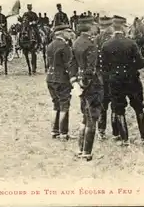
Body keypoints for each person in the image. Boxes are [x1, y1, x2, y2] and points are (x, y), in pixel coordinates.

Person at [102, 15, 144, 146]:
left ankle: (124, 140)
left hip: (115, 80)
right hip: (132, 79)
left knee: (118, 108)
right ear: (124, 27)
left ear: (113, 27)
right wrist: (130, 67)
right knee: (139, 107)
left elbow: (104, 67)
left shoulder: (106, 45)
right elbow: (140, 63)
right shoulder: (131, 43)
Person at [69, 16, 103, 161]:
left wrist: (75, 82)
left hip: (80, 83)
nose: (96, 27)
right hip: (92, 85)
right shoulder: (91, 44)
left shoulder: (76, 43)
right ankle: (87, 152)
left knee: (84, 117)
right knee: (92, 118)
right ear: (89, 28)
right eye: (94, 25)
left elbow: (72, 64)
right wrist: (84, 84)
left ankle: (80, 148)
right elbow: (91, 69)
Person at [46, 24, 75, 141]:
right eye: (68, 31)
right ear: (62, 33)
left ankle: (54, 131)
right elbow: (69, 65)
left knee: (55, 104)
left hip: (50, 78)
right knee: (64, 105)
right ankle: (64, 133)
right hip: (62, 79)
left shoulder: (50, 45)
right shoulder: (65, 46)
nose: (70, 34)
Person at [94, 16, 118, 140]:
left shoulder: (96, 39)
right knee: (114, 104)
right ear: (110, 26)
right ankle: (115, 132)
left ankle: (101, 131)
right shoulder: (113, 40)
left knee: (102, 105)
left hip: (100, 77)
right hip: (113, 76)